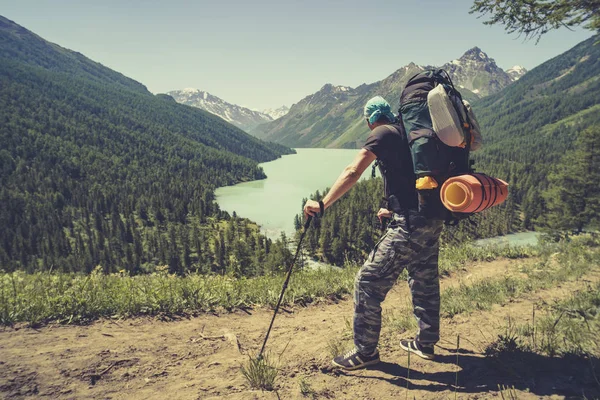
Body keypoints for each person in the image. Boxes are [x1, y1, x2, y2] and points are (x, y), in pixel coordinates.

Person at [303, 96, 444, 370]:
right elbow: (409, 177)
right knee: (423, 277)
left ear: (369, 119)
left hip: (411, 224)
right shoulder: (408, 133)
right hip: (431, 218)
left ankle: (365, 352)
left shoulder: (380, 134)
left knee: (367, 282)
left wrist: (322, 204)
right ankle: (425, 342)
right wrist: (393, 208)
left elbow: (353, 170)